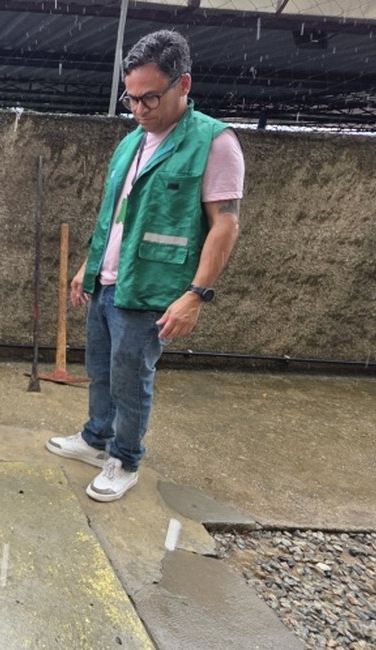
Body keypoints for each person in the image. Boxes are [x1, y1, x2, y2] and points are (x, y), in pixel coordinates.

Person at [46, 30, 243, 502]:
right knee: (101, 369)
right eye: (131, 99)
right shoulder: (133, 142)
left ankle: (126, 458)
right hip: (109, 280)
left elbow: (225, 225)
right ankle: (96, 439)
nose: (139, 109)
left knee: (132, 379)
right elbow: (114, 213)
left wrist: (195, 295)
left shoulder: (214, 143)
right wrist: (87, 266)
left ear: (184, 84)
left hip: (155, 287)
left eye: (150, 98)